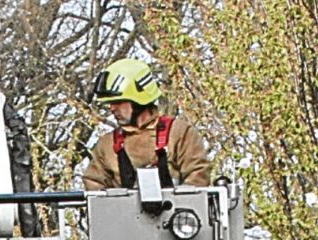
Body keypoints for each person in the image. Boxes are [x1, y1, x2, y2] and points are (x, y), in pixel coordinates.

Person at [79, 58, 217, 191]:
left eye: (118, 102)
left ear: (139, 101)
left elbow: (198, 177)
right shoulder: (107, 145)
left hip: (180, 214)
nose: (112, 108)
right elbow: (94, 189)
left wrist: (180, 206)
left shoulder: (179, 133)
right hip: (123, 215)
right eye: (110, 103)